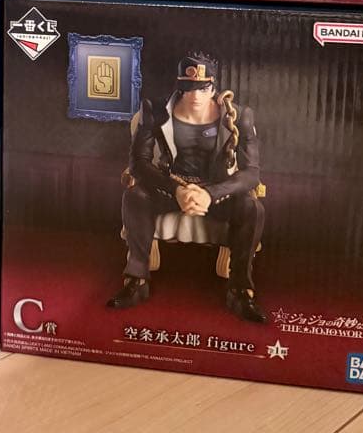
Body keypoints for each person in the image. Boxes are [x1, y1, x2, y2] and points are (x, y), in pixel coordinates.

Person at [107, 52, 267, 324]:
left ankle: (240, 288)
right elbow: (139, 163)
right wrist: (176, 190)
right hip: (172, 186)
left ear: (213, 87)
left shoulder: (239, 116)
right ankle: (136, 280)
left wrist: (211, 194)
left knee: (251, 207)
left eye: (202, 89)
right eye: (189, 88)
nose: (195, 96)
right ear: (179, 86)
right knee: (135, 196)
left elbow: (252, 173)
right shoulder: (155, 109)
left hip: (215, 191)